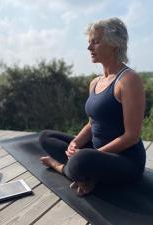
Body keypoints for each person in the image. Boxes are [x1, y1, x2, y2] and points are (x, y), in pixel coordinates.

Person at [39, 17, 146, 196]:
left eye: (95, 42)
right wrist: (74, 143)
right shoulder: (95, 82)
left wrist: (93, 154)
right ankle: (87, 173)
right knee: (45, 137)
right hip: (95, 152)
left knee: (82, 159)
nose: (89, 48)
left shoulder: (128, 80)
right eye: (89, 43)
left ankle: (60, 167)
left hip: (125, 160)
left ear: (114, 44)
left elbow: (132, 137)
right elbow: (92, 123)